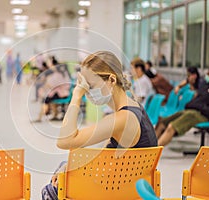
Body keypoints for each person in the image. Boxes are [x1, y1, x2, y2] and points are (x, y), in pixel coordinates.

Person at [42, 51, 157, 199]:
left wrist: (77, 95)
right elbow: (104, 155)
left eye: (90, 85)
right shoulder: (135, 109)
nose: (87, 91)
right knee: (65, 165)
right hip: (131, 187)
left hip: (116, 190)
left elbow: (64, 141)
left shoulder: (122, 118)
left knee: (52, 190)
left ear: (111, 80)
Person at [155, 64, 209, 146]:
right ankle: (148, 148)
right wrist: (179, 86)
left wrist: (199, 106)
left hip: (202, 115)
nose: (207, 76)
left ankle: (152, 154)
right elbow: (188, 80)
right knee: (162, 122)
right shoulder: (205, 84)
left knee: (171, 127)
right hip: (191, 110)